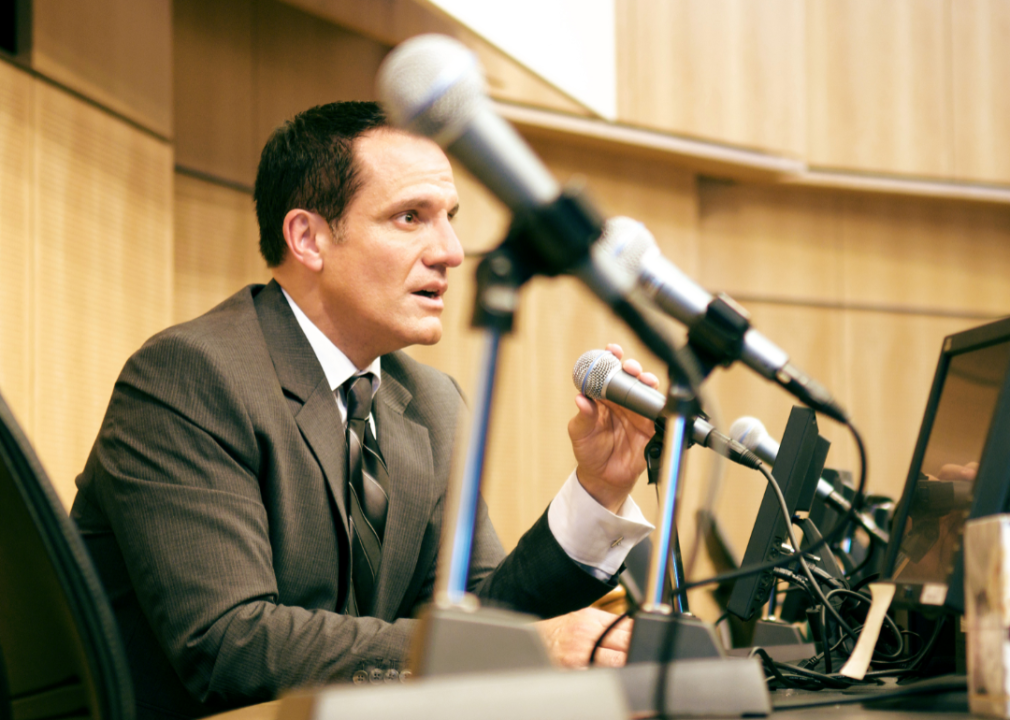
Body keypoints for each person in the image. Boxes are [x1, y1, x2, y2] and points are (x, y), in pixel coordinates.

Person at [71, 102, 657, 720]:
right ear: (308, 239)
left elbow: (481, 615)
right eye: (411, 218)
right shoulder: (190, 376)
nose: (451, 252)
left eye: (449, 220)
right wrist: (517, 650)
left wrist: (597, 492)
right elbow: (229, 644)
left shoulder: (432, 403)